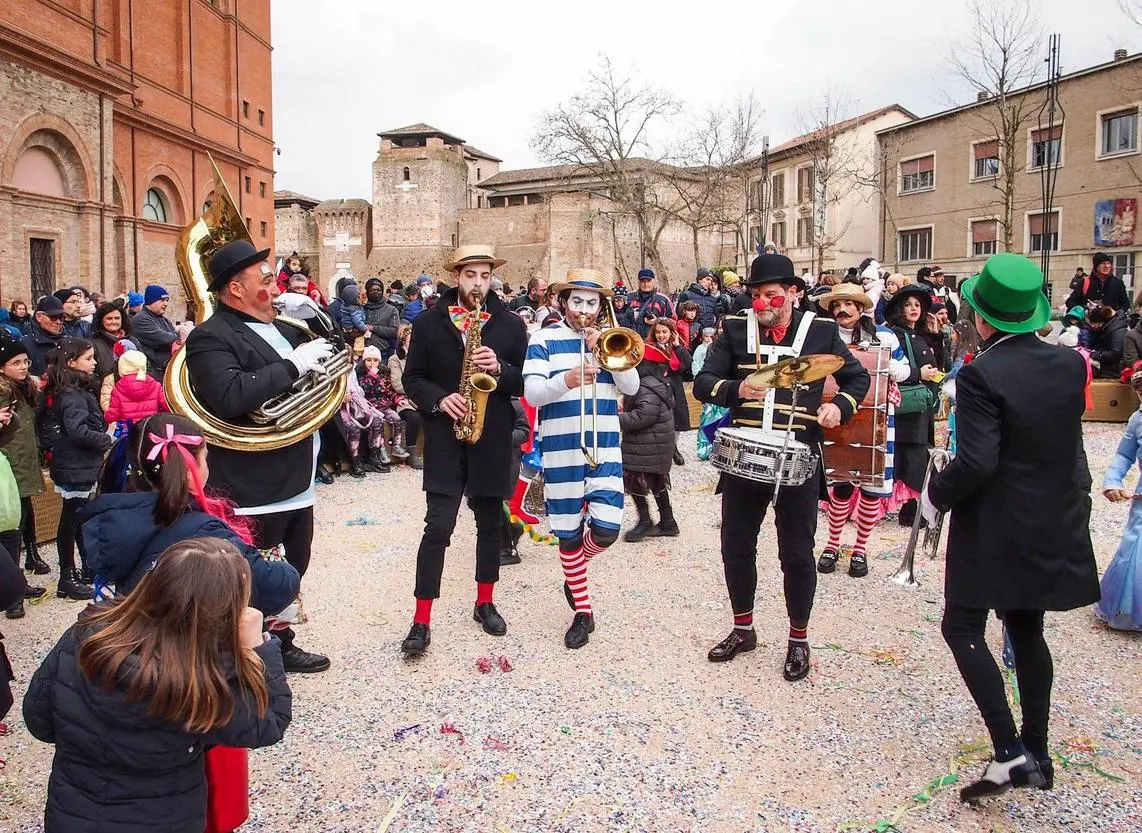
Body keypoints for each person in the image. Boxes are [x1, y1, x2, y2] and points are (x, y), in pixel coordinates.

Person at [922, 253, 1099, 800]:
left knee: (962, 627)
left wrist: (933, 497)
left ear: (981, 317)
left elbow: (977, 462)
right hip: (1052, 515)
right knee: (1027, 629)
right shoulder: (1070, 364)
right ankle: (1038, 749)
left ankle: (1009, 754)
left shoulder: (981, 372)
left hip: (997, 523)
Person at [22, 536, 293, 833]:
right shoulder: (199, 678)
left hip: (74, 812)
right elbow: (267, 723)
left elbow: (39, 720)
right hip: (164, 816)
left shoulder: (86, 635)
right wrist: (258, 645)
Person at [694, 254, 869, 681]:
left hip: (799, 453)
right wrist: (738, 388)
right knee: (736, 546)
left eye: (770, 294)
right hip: (744, 457)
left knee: (796, 552)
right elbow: (702, 383)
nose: (761, 302)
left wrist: (838, 408)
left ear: (794, 292)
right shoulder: (736, 329)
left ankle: (798, 638)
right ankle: (743, 628)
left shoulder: (822, 331)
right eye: (754, 294)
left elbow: (857, 380)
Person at [184, 238, 334, 674]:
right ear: (235, 288)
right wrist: (293, 366)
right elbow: (229, 396)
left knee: (295, 563)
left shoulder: (286, 327)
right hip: (255, 479)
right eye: (265, 277)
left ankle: (280, 639)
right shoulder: (210, 336)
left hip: (298, 471)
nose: (274, 283)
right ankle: (240, 653)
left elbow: (335, 357)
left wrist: (318, 322)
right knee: (252, 573)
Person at [399, 245, 527, 656]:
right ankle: (421, 621)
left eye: (485, 275)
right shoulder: (428, 322)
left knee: (490, 523)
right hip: (443, 435)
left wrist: (501, 370)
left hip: (490, 435)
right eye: (470, 275)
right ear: (457, 276)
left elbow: (523, 381)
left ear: (492, 278)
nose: (478, 283)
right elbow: (413, 378)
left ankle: (485, 602)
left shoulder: (509, 325)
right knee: (438, 526)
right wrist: (439, 400)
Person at [78, 413, 300, 615]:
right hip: (192, 650)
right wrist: (287, 570)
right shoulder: (203, 531)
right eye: (205, 458)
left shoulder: (114, 523)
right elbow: (270, 588)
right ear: (189, 468)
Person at [523, 268, 640, 648]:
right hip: (561, 450)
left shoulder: (609, 340)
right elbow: (534, 394)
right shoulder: (542, 338)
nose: (584, 310)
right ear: (563, 301)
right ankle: (583, 612)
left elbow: (632, 386)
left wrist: (603, 349)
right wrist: (567, 380)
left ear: (601, 306)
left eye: (592, 303)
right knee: (569, 532)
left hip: (604, 445)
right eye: (578, 301)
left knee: (606, 530)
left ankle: (573, 571)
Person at [814, 283, 909, 577]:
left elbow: (905, 370)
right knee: (839, 484)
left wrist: (886, 365)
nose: (842, 310)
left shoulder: (884, 335)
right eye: (837, 305)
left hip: (877, 419)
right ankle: (831, 545)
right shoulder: (823, 335)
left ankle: (860, 549)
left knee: (870, 487)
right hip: (836, 416)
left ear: (859, 307)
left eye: (848, 304)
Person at [884, 284, 941, 526]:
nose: (913, 309)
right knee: (912, 456)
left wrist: (936, 335)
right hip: (909, 404)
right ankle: (911, 509)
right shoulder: (896, 334)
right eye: (908, 305)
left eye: (917, 305)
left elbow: (937, 363)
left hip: (921, 403)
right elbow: (895, 370)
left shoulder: (919, 334)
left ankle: (914, 508)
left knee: (917, 453)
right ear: (899, 309)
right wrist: (920, 373)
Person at [0, 338, 50, 585]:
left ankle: (29, 557)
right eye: (15, 363)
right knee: (13, 524)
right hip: (10, 462)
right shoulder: (3, 392)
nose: (22, 367)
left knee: (26, 511)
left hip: (25, 457)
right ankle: (13, 583)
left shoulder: (24, 387)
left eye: (25, 362)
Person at [618, 343, 677, 541]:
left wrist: (614, 417)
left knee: (636, 483)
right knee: (657, 482)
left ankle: (645, 521)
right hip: (654, 445)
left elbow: (641, 417)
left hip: (646, 446)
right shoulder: (656, 383)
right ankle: (668, 522)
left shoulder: (645, 386)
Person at [1101, 367, 1142, 631]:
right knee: (1135, 549)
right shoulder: (1137, 419)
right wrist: (1112, 481)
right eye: (1140, 392)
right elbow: (1124, 455)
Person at [387, 323, 423, 469]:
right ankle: (411, 453)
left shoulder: (422, 357)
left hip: (421, 396)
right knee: (414, 418)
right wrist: (418, 389)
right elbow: (397, 384)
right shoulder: (395, 360)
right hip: (404, 398)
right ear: (403, 342)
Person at [104, 349, 168, 428]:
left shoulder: (118, 388)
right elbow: (167, 406)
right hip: (150, 428)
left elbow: (113, 414)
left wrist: (106, 417)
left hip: (128, 431)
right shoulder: (155, 385)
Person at [132, 285, 178, 377]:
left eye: (167, 300)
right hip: (154, 374)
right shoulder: (141, 319)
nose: (166, 304)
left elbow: (174, 338)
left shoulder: (163, 319)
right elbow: (164, 339)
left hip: (166, 371)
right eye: (162, 300)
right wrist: (178, 334)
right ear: (151, 301)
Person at [24, 295, 67, 376]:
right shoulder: (25, 344)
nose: (58, 322)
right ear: (39, 317)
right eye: (53, 317)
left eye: (61, 317)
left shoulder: (70, 341)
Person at [627, 268, 674, 339]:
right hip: (631, 340)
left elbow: (674, 322)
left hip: (655, 342)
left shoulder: (663, 299)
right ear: (638, 283)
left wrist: (657, 321)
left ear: (654, 282)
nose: (646, 284)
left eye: (648, 281)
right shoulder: (629, 298)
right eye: (643, 281)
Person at [90, 302, 129, 383]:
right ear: (101, 320)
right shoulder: (92, 344)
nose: (114, 322)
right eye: (109, 318)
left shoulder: (133, 341)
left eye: (117, 318)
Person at [363, 278, 401, 357]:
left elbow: (395, 331)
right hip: (361, 352)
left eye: (378, 290)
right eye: (372, 290)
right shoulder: (360, 309)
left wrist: (373, 328)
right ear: (367, 292)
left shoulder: (391, 310)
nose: (375, 292)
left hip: (381, 352)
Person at [1088, 305, 1128, 378]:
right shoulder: (1105, 329)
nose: (1093, 326)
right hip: (1108, 366)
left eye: (1095, 323)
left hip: (1114, 369)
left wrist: (1097, 354)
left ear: (1103, 322)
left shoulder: (1117, 331)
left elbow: (1116, 353)